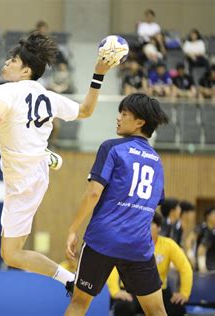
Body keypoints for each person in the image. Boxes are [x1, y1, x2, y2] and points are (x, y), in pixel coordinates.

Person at [0, 31, 114, 291]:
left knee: (11, 254)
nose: (7, 63)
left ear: (26, 70)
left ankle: (68, 279)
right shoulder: (48, 96)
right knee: (13, 252)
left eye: (13, 61)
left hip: (21, 178)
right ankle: (43, 153)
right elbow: (86, 110)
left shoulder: (8, 90)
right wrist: (98, 73)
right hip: (35, 172)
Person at [65, 93, 169, 316]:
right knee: (157, 311)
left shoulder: (112, 148)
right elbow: (154, 202)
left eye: (124, 114)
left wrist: (73, 229)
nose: (118, 118)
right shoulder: (157, 161)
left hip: (102, 240)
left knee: (79, 304)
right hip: (138, 245)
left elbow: (93, 193)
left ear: (140, 122)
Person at [108, 212, 193, 316]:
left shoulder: (169, 245)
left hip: (159, 291)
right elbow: (114, 267)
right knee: (122, 307)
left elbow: (185, 267)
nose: (145, 227)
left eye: (150, 223)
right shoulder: (128, 244)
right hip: (132, 291)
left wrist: (184, 293)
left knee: (178, 307)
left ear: (159, 228)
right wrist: (115, 291)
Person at [179, 200, 197, 267]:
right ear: (185, 214)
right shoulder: (178, 226)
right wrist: (190, 256)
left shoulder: (184, 226)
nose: (193, 216)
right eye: (191, 213)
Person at [197, 206, 215, 272]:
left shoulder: (212, 231)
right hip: (209, 268)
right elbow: (201, 249)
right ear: (208, 216)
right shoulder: (203, 228)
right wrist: (202, 267)